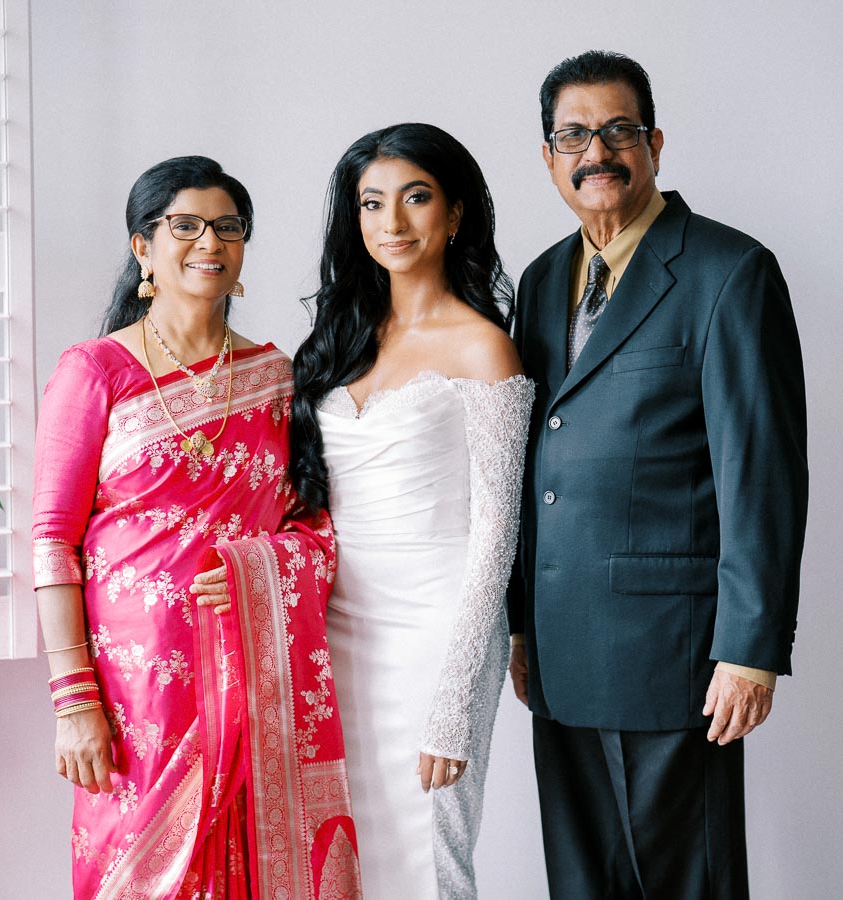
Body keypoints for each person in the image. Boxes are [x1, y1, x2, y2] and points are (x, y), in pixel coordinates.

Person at [508, 51, 809, 899]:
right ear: (548, 156)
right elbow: (530, 459)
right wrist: (521, 627)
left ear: (655, 143)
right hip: (560, 656)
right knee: (582, 884)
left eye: (618, 130)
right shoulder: (539, 280)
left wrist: (749, 650)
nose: (596, 152)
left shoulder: (728, 271)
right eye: (574, 136)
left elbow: (761, 472)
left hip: (675, 658)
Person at [32, 156, 361, 899]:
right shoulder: (96, 370)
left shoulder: (277, 379)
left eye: (228, 227)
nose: (209, 242)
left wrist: (260, 569)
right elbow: (53, 542)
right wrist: (73, 699)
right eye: (185, 225)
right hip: (134, 697)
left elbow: (312, 525)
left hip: (250, 678)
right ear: (143, 247)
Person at [290, 123, 532, 899]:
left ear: (455, 214)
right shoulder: (339, 341)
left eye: (415, 197)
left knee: (430, 857)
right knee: (346, 851)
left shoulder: (484, 347)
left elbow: (497, 530)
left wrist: (457, 692)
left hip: (439, 627)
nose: (391, 222)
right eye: (371, 203)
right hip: (339, 630)